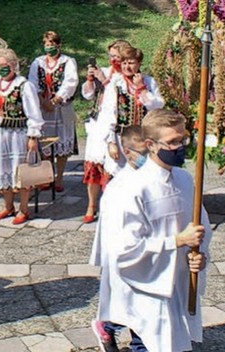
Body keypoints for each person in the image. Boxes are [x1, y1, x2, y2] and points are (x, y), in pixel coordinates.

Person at [91, 109, 210, 352]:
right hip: (146, 284)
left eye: (182, 139)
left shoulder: (185, 180)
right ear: (151, 145)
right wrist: (174, 241)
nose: (180, 147)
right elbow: (122, 248)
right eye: (172, 142)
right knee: (149, 343)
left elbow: (200, 227)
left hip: (176, 279)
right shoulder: (130, 188)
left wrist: (199, 256)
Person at [89, 124, 147, 351]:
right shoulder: (120, 185)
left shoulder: (156, 177)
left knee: (140, 306)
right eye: (143, 153)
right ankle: (109, 326)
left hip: (151, 254)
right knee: (131, 301)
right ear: (128, 152)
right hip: (128, 255)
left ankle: (135, 342)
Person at [0, 48, 45, 225]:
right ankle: (8, 206)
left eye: (5, 66)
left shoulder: (24, 85)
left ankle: (24, 209)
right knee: (2, 168)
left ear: (14, 65)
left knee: (20, 171)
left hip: (17, 134)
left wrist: (33, 137)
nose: (2, 70)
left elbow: (34, 114)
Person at [81, 39, 131, 223]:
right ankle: (91, 205)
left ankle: (112, 206)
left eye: (117, 57)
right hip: (97, 123)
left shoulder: (126, 76)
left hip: (116, 126)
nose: (113, 60)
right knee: (93, 165)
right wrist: (90, 80)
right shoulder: (105, 70)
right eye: (111, 56)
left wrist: (104, 80)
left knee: (114, 168)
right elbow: (87, 95)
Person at [101, 46, 164, 178]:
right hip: (120, 137)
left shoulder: (149, 82)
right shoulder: (116, 83)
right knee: (119, 174)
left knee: (144, 172)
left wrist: (142, 89)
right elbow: (107, 114)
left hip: (143, 138)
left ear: (139, 64)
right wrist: (110, 142)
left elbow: (158, 106)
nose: (127, 67)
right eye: (124, 63)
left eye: (131, 63)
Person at [28, 30, 78, 193]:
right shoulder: (38, 62)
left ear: (59, 45)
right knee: (46, 142)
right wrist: (43, 102)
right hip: (44, 107)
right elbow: (32, 82)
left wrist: (55, 100)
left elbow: (70, 82)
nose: (48, 47)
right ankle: (48, 175)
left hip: (62, 107)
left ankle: (59, 177)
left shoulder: (68, 61)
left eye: (52, 44)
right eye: (46, 44)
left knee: (62, 141)